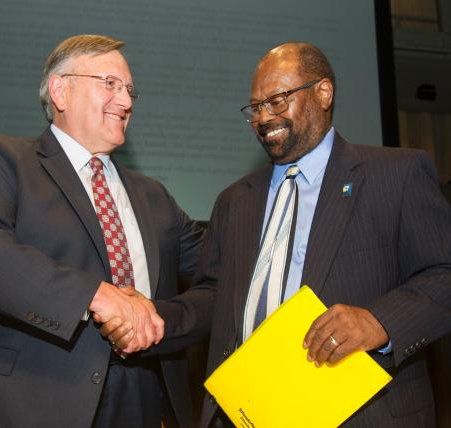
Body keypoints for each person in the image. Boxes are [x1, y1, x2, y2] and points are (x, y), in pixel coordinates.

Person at [189, 42, 451, 427]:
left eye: (277, 100)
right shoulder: (233, 201)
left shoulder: (397, 174)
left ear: (323, 93)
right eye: (256, 107)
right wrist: (150, 316)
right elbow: (212, 298)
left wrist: (379, 322)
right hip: (245, 414)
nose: (264, 117)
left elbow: (444, 273)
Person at [0, 34, 207, 428]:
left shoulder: (154, 196)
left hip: (140, 397)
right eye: (110, 84)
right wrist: (94, 294)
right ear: (60, 91)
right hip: (27, 400)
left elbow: (222, 262)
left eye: (129, 91)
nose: (125, 102)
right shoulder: (1, 159)